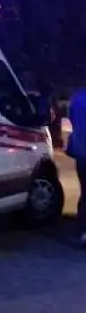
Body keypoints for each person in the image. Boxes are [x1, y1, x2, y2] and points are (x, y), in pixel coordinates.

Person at [66, 89, 86, 245]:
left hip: (81, 152)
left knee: (85, 192)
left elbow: (72, 121)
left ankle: (82, 231)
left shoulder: (77, 99)